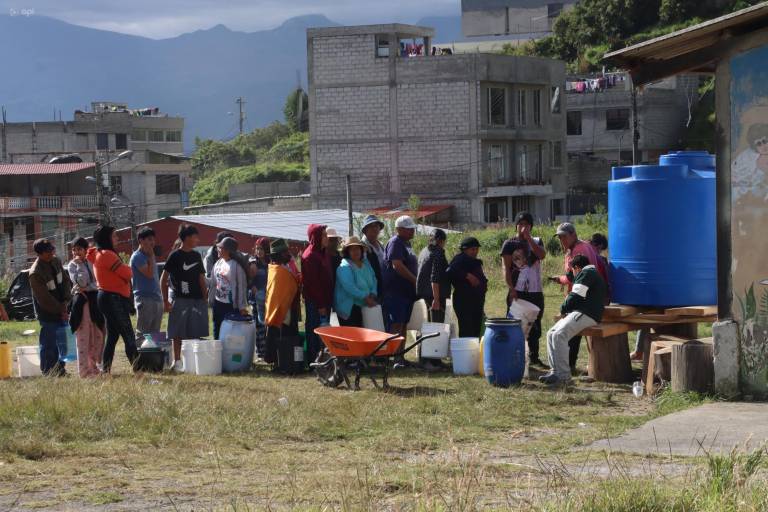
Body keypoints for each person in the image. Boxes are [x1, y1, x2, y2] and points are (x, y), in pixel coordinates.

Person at [549, 222, 608, 372]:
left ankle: (564, 370)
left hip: (584, 304)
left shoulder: (579, 249)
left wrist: (563, 306)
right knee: (555, 333)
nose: (562, 240)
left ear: (573, 235)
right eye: (560, 237)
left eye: (564, 237)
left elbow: (574, 278)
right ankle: (560, 369)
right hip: (585, 302)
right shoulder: (582, 246)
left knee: (563, 335)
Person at [541, 254, 606, 386]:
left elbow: (575, 295)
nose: (573, 274)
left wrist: (563, 309)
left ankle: (564, 376)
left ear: (576, 268)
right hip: (585, 312)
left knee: (559, 335)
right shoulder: (591, 273)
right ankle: (555, 371)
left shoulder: (586, 273)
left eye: (572, 271)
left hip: (588, 314)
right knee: (551, 333)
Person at [87, 225, 138, 373]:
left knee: (113, 336)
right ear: (107, 238)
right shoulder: (107, 255)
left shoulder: (99, 254)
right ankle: (139, 371)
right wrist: (127, 269)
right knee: (128, 334)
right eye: (114, 236)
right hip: (113, 298)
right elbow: (128, 274)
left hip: (106, 297)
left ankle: (106, 370)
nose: (117, 238)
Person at [501, 212, 547, 367]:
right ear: (516, 225)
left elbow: (541, 255)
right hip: (517, 290)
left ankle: (534, 357)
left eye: (526, 224)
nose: (523, 227)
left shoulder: (537, 241)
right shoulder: (509, 244)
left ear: (531, 226)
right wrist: (511, 289)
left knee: (535, 324)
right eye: (520, 224)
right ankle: (514, 355)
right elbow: (506, 269)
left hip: (535, 291)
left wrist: (529, 239)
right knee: (515, 324)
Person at [161, 224, 209, 370]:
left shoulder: (196, 255)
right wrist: (165, 301)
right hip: (179, 298)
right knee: (177, 332)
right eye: (195, 237)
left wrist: (205, 297)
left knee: (196, 330)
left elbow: (201, 278)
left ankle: (194, 362)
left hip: (197, 299)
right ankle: (177, 361)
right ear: (187, 238)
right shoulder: (175, 255)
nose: (198, 240)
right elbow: (163, 279)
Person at [29, 238, 72, 376]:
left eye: (52, 250)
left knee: (62, 342)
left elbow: (65, 281)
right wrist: (61, 309)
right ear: (40, 254)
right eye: (48, 251)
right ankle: (49, 371)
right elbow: (44, 299)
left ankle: (60, 369)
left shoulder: (56, 261)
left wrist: (65, 302)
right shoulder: (35, 273)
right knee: (49, 344)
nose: (52, 253)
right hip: (47, 312)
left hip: (62, 308)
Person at [382, 215, 419, 365]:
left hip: (406, 292)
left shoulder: (407, 243)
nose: (412, 231)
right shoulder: (395, 243)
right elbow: (397, 265)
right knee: (396, 324)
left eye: (412, 229)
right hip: (395, 292)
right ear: (399, 229)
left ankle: (400, 356)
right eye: (408, 229)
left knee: (403, 323)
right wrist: (415, 280)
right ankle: (391, 357)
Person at [67, 237, 104, 378]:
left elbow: (96, 282)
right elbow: (81, 283)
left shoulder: (91, 262)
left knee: (96, 335)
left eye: (79, 249)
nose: (77, 252)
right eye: (74, 249)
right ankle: (84, 371)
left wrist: (90, 286)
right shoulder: (72, 265)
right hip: (82, 303)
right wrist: (79, 266)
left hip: (94, 301)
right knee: (83, 337)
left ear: (85, 249)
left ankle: (93, 368)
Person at [301, 224, 334, 364]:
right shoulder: (310, 256)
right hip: (316, 302)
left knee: (324, 332)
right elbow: (313, 285)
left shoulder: (323, 252)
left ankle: (324, 360)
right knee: (315, 331)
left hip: (325, 301)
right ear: (317, 237)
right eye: (324, 235)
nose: (327, 238)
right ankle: (314, 361)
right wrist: (321, 305)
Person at [265, 238, 301, 365]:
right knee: (281, 335)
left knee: (284, 335)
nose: (289, 254)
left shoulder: (281, 268)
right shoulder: (278, 271)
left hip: (285, 308)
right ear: (279, 255)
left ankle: (285, 361)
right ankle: (280, 362)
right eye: (286, 252)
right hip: (281, 311)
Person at [209, 237, 250, 339]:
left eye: (220, 248)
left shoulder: (236, 266)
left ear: (227, 250)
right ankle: (217, 353)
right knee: (217, 332)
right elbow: (213, 283)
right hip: (218, 304)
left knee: (230, 335)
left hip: (231, 306)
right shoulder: (218, 263)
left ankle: (227, 354)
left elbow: (241, 287)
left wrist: (241, 307)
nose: (218, 249)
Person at [447, 237, 488, 338]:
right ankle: (466, 352)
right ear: (464, 250)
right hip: (464, 301)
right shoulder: (460, 259)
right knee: (467, 330)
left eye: (476, 249)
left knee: (476, 329)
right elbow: (449, 271)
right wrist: (467, 276)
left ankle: (473, 352)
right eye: (472, 249)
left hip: (475, 301)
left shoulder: (472, 260)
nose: (475, 251)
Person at [334, 236, 378, 327]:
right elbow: (350, 287)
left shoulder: (365, 263)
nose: (356, 251)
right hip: (350, 309)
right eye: (352, 249)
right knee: (352, 338)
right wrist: (366, 297)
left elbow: (374, 278)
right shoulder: (344, 267)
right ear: (347, 252)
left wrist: (373, 293)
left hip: (365, 305)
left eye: (357, 248)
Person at [130, 227, 163, 339]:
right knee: (143, 333)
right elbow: (149, 274)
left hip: (156, 298)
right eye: (149, 239)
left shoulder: (149, 255)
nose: (152, 242)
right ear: (140, 240)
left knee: (155, 333)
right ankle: (140, 356)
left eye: (153, 239)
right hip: (144, 299)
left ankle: (153, 356)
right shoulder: (137, 256)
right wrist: (152, 256)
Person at [416, 228, 450, 323]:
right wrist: (436, 299)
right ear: (440, 240)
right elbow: (434, 278)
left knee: (427, 325)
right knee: (436, 327)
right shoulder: (437, 253)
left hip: (424, 294)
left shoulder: (424, 251)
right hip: (434, 295)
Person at [249, 237, 270, 357]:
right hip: (255, 299)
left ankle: (267, 351)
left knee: (267, 325)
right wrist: (252, 287)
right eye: (257, 248)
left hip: (268, 298)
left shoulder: (270, 262)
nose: (259, 251)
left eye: (261, 249)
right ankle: (260, 353)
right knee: (258, 326)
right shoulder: (253, 262)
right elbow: (248, 278)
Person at [360, 214, 385, 298]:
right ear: (365, 230)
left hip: (382, 285)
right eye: (371, 226)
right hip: (369, 289)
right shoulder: (361, 246)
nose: (374, 228)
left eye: (376, 226)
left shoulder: (381, 245)